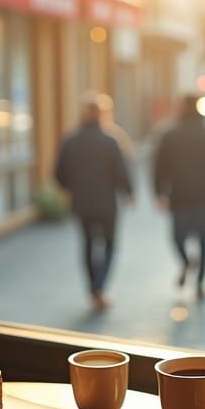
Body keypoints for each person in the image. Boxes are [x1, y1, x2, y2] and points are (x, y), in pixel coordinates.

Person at [55, 92, 134, 309]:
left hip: (82, 204)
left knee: (88, 245)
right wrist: (129, 193)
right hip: (107, 204)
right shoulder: (110, 141)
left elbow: (59, 175)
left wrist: (73, 188)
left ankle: (93, 287)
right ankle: (98, 287)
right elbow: (121, 172)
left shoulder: (70, 141)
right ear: (101, 114)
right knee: (109, 245)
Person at [153, 94, 205, 298]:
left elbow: (159, 167)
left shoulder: (170, 134)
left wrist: (159, 192)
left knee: (177, 238)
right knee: (203, 241)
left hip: (180, 195)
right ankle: (200, 281)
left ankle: (187, 264)